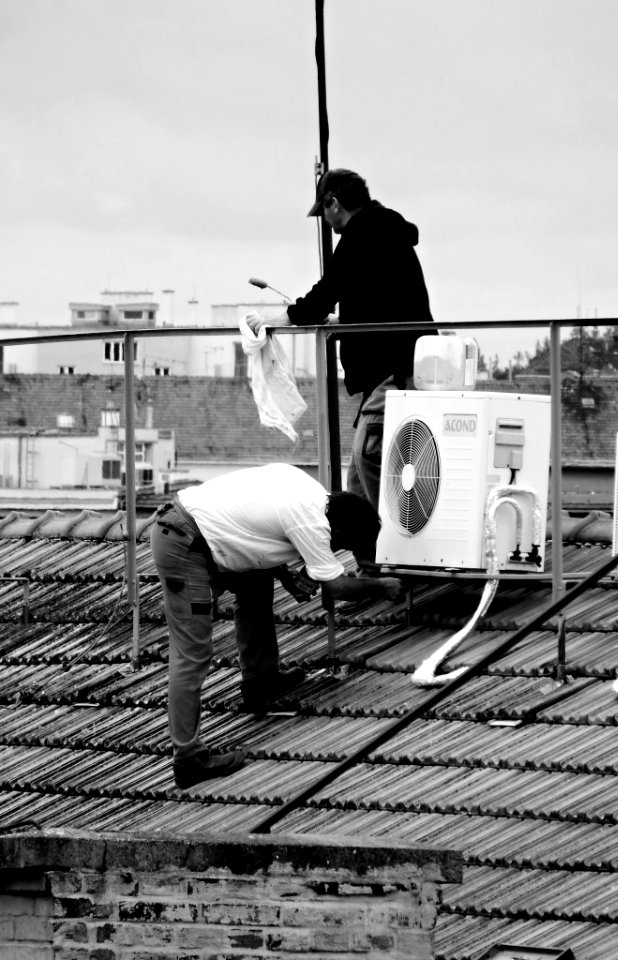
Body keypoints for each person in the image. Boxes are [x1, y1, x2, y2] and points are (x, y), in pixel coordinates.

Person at [150, 463, 403, 789]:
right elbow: (337, 587)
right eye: (339, 547)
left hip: (202, 531)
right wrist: (384, 587)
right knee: (192, 654)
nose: (334, 550)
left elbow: (255, 525)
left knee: (256, 582)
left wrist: (284, 573)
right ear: (336, 533)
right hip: (186, 544)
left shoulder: (310, 492)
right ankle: (188, 760)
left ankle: (260, 681)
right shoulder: (313, 522)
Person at [247, 169, 434, 530]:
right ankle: (369, 562)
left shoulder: (360, 232)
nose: (327, 221)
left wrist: (281, 317)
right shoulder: (386, 231)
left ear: (333, 202)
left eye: (324, 211)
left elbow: (325, 292)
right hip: (406, 362)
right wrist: (345, 323)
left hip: (395, 369)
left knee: (368, 458)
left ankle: (395, 542)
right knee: (355, 482)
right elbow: (381, 297)